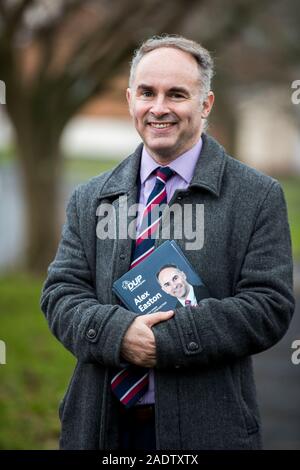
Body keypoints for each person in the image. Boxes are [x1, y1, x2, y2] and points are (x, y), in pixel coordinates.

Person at [40, 35, 295, 450]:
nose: (159, 107)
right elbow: (60, 293)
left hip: (209, 430)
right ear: (130, 100)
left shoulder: (257, 196)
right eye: (147, 93)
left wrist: (165, 343)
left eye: (177, 94)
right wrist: (119, 334)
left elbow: (268, 306)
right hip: (100, 428)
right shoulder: (90, 198)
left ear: (205, 104)